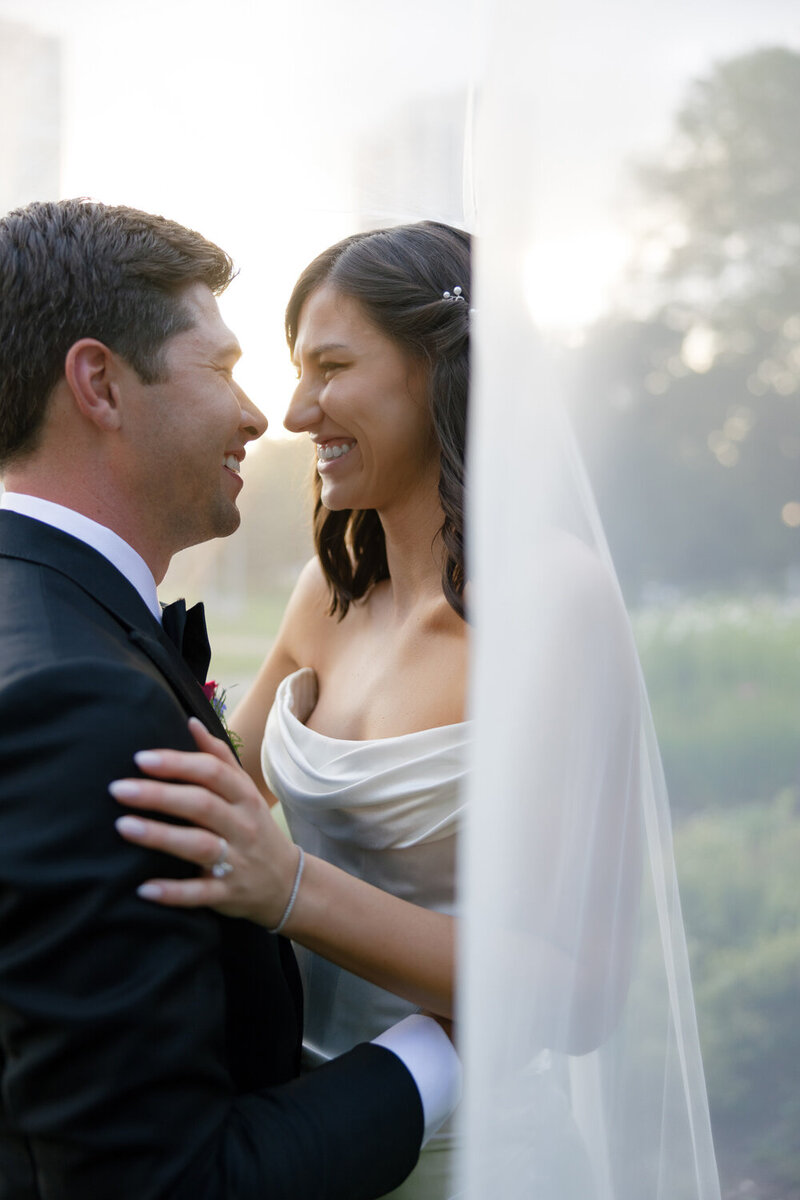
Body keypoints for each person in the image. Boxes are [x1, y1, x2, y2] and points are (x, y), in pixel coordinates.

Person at [0, 198, 461, 1200]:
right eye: (224, 368)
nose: (270, 416)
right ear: (99, 385)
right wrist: (444, 1050)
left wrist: (287, 882)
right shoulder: (81, 696)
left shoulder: (52, 629)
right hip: (351, 1121)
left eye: (328, 367)